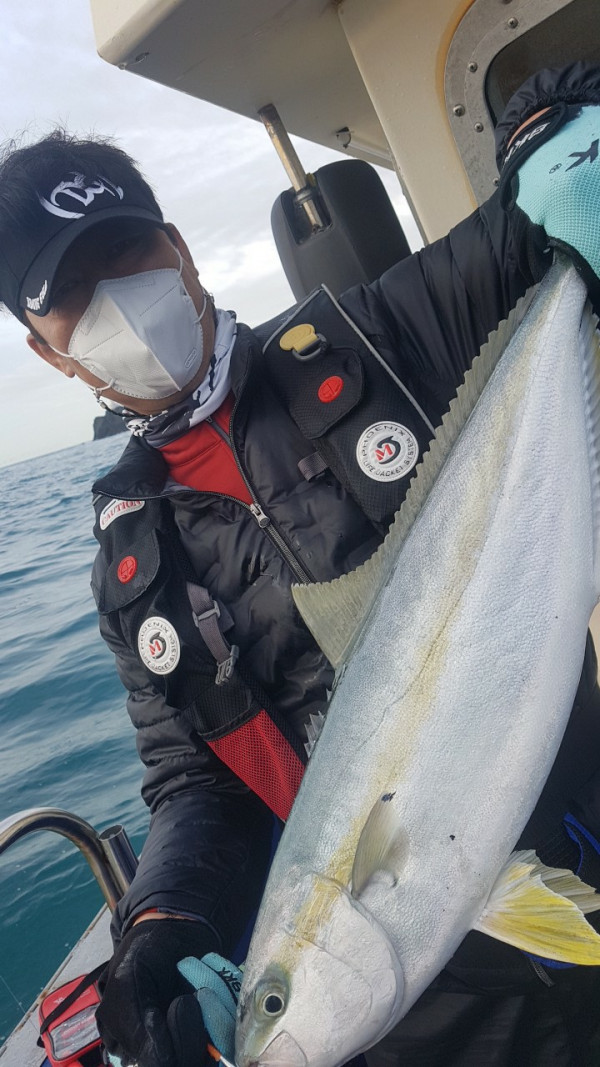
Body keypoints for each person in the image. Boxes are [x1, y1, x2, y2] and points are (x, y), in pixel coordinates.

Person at [3, 61, 600, 1067]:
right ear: (49, 351)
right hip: (426, 1011)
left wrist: (554, 125)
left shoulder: (379, 332)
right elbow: (196, 781)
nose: (116, 303)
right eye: (72, 298)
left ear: (179, 250)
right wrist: (163, 923)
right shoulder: (131, 567)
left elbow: (523, 234)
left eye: (125, 253)